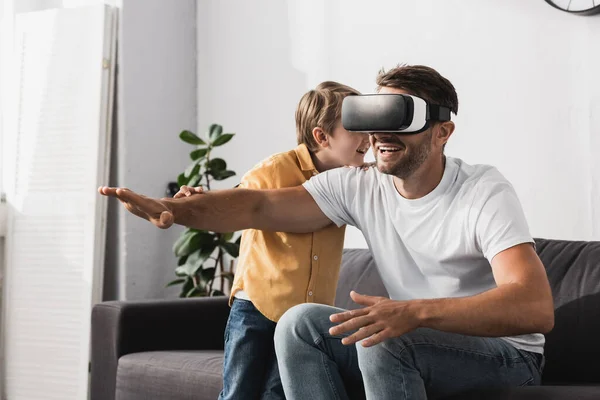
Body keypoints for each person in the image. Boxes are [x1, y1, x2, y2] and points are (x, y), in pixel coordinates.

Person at [99, 64, 554, 400]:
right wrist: (177, 210)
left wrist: (414, 313)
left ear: (442, 132)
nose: (381, 133)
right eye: (374, 116)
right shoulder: (359, 185)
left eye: (401, 118)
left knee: (385, 337)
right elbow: (259, 204)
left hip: (506, 357)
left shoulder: (483, 190)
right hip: (406, 339)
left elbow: (533, 308)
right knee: (299, 323)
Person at [174, 81, 369, 400]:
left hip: (304, 320)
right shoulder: (277, 168)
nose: (367, 139)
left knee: (276, 394)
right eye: (356, 130)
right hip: (257, 305)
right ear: (322, 136)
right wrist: (197, 199)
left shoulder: (348, 183)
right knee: (239, 391)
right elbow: (238, 202)